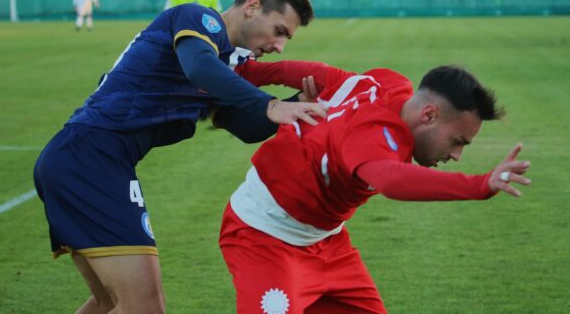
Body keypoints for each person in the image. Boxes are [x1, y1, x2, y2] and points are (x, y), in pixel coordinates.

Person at [34, 0, 327, 314]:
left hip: (87, 158)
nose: (279, 46)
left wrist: (298, 106)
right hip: (90, 158)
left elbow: (245, 126)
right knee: (144, 308)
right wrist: (271, 104)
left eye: (286, 39)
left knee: (109, 302)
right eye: (279, 31)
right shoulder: (197, 18)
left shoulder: (222, 63)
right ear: (251, 6)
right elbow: (199, 69)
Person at [219, 65, 532, 313]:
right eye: (457, 141)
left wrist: (247, 72)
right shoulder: (372, 135)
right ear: (429, 115)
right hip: (262, 237)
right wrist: (479, 184)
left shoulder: (389, 85)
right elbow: (393, 180)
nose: (456, 155)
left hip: (328, 245)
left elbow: (321, 74)